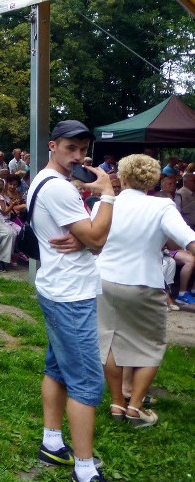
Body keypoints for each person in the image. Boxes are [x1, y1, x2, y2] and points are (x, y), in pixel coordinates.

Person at [27, 120, 115, 482]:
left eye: (83, 149)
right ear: (53, 145)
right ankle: (83, 466)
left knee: (58, 366)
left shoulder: (45, 181)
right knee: (87, 382)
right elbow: (97, 238)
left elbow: (85, 234)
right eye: (70, 149)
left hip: (56, 285)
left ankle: (51, 442)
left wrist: (84, 235)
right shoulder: (60, 189)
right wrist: (107, 192)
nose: (78, 156)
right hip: (70, 294)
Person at [93, 154, 195, 429]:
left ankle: (117, 402)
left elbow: (92, 241)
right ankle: (135, 408)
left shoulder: (105, 204)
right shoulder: (162, 206)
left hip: (103, 278)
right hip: (143, 282)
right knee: (150, 345)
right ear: (153, 180)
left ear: (122, 177)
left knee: (110, 341)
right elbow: (189, 239)